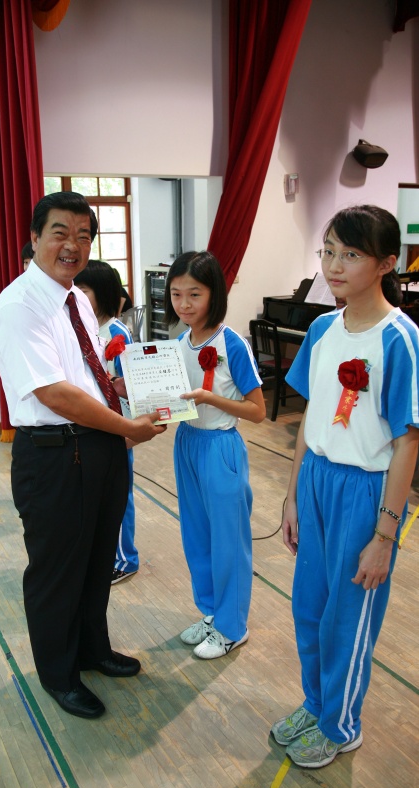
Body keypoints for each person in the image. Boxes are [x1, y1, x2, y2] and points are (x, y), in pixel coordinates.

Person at [0, 191, 166, 720]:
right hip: (54, 456)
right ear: (35, 238)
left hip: (98, 447)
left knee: (96, 560)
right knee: (57, 572)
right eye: (61, 233)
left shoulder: (78, 299)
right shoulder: (19, 306)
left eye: (84, 236)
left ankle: (92, 650)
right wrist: (126, 427)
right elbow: (55, 394)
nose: (73, 245)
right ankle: (58, 675)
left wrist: (128, 388)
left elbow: (87, 374)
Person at [272, 205, 419, 768]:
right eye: (328, 251)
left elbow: (408, 441)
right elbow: (312, 418)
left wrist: (385, 535)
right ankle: (316, 703)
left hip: (365, 492)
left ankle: (341, 725)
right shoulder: (322, 329)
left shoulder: (399, 339)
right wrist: (293, 496)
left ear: (385, 264)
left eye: (351, 254)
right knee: (309, 608)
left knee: (349, 617)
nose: (334, 265)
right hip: (316, 480)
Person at [164, 251, 266, 659]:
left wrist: (211, 399)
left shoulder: (232, 343)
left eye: (195, 294)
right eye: (176, 294)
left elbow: (257, 411)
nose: (184, 304)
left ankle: (233, 626)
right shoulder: (179, 343)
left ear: (214, 295)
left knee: (228, 540)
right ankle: (211, 613)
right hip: (187, 442)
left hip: (221, 446)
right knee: (197, 536)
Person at [74, 259, 139, 584]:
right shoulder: (83, 327)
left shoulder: (116, 333)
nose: (76, 295)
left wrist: (130, 432)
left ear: (101, 292)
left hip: (118, 428)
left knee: (120, 496)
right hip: (95, 426)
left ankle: (126, 560)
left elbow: (133, 387)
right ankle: (106, 554)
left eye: (83, 290)